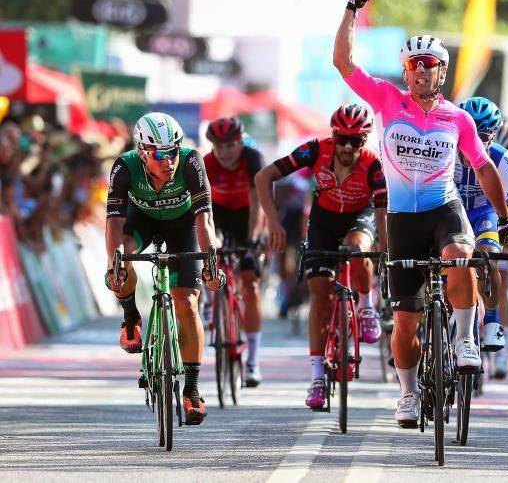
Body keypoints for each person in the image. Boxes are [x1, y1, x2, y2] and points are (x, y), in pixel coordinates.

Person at [333, 0, 508, 427]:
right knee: (405, 321)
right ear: (405, 70)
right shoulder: (386, 99)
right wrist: (352, 9)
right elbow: (343, 62)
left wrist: (506, 219)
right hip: (402, 219)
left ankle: (465, 338)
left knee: (461, 255)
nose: (420, 70)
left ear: (442, 71)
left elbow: (484, 169)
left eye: (429, 64)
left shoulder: (458, 118)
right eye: (413, 63)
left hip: (443, 209)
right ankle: (408, 393)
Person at [255, 103, 387, 410]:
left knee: (357, 246)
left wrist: (384, 248)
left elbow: (382, 212)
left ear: (365, 140)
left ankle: (366, 306)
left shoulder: (373, 164)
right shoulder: (314, 150)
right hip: (323, 222)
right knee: (320, 296)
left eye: (356, 140)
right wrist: (273, 222)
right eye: (342, 138)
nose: (348, 147)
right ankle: (316, 377)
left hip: (359, 217)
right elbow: (264, 177)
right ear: (333, 135)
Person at [105, 112, 224, 426]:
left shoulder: (191, 161)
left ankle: (192, 389)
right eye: (159, 155)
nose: (168, 160)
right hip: (141, 220)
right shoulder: (124, 167)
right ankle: (131, 316)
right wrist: (113, 263)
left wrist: (211, 262)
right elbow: (114, 224)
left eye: (173, 151)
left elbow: (205, 220)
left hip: (184, 226)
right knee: (121, 258)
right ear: (142, 152)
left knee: (187, 303)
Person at [454, 97, 508, 380]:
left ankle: (492, 319)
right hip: (451, 210)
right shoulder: (445, 150)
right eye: (467, 135)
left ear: (494, 136)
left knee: (488, 255)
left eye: (482, 137)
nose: (472, 143)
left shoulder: (503, 159)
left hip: (484, 213)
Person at [203, 117, 267, 387]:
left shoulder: (253, 159)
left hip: (247, 218)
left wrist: (252, 241)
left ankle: (253, 360)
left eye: (230, 146)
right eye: (219, 147)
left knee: (250, 284)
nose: (225, 152)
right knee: (210, 254)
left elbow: (258, 204)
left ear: (240, 143)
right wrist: (210, 240)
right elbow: (202, 207)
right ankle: (209, 300)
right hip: (218, 215)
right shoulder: (206, 163)